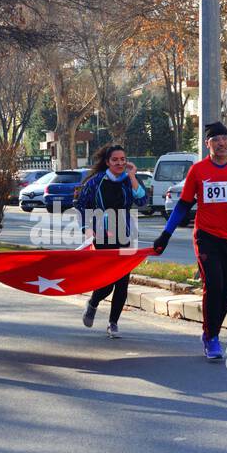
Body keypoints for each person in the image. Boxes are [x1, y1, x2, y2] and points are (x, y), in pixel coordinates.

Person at [151, 121, 227, 361]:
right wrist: (166, 234)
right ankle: (211, 337)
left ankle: (212, 331)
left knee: (225, 291)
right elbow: (183, 204)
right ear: (207, 144)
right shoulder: (198, 171)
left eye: (224, 138)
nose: (221, 143)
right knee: (213, 285)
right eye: (216, 139)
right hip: (206, 236)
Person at [75, 144, 145, 339]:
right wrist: (86, 228)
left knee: (122, 281)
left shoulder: (128, 180)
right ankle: (93, 303)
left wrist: (132, 177)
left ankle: (113, 323)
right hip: (103, 235)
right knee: (107, 280)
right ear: (107, 162)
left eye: (123, 159)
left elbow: (142, 201)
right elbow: (81, 205)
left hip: (126, 235)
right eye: (115, 160)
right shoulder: (97, 181)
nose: (120, 163)